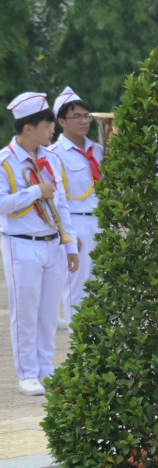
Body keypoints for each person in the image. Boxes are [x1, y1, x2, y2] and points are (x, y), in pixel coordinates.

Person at [1, 93, 76, 395]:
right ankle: (27, 373)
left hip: (53, 243)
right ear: (28, 127)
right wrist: (34, 192)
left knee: (48, 314)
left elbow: (64, 204)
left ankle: (47, 369)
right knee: (25, 313)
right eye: (47, 125)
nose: (52, 130)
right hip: (22, 244)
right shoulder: (5, 161)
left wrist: (70, 245)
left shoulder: (51, 158)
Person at [48, 87, 101, 319]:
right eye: (76, 116)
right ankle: (81, 348)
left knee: (102, 290)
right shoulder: (54, 154)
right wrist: (67, 234)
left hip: (101, 223)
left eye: (86, 115)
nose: (83, 121)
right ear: (61, 121)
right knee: (77, 291)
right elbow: (56, 201)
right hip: (76, 224)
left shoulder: (99, 151)